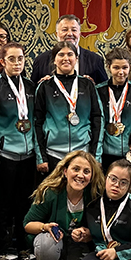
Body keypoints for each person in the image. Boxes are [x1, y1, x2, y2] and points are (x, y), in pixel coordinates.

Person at [0, 42, 39, 260]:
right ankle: (1, 256)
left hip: (28, 156)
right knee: (2, 208)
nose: (17, 63)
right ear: (3, 62)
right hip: (4, 156)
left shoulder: (31, 86)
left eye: (21, 58)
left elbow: (36, 121)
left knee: (25, 205)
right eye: (12, 59)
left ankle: (24, 251)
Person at [23, 151, 105, 260]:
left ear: (92, 176)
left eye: (86, 171)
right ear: (65, 171)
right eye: (76, 169)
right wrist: (45, 227)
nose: (80, 175)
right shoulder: (51, 192)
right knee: (46, 242)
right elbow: (27, 225)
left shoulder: (95, 195)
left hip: (78, 246)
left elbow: (103, 229)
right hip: (54, 242)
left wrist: (89, 234)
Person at [34, 41, 103, 174]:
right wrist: (41, 157)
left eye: (70, 54)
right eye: (61, 55)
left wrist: (96, 155)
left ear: (76, 58)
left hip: (82, 151)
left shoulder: (87, 85)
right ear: (54, 60)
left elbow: (97, 119)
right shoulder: (45, 86)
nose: (66, 58)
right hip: (53, 153)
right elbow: (37, 122)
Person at [96, 47, 131, 167]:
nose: (121, 72)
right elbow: (95, 124)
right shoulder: (99, 91)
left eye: (124, 67)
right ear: (108, 67)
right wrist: (97, 155)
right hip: (105, 153)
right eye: (116, 67)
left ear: (130, 67)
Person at [31, 14, 108, 85]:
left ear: (79, 34)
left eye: (74, 30)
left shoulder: (95, 60)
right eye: (65, 30)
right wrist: (41, 85)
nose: (70, 34)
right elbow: (32, 90)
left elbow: (104, 90)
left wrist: (92, 87)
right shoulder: (41, 61)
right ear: (57, 34)